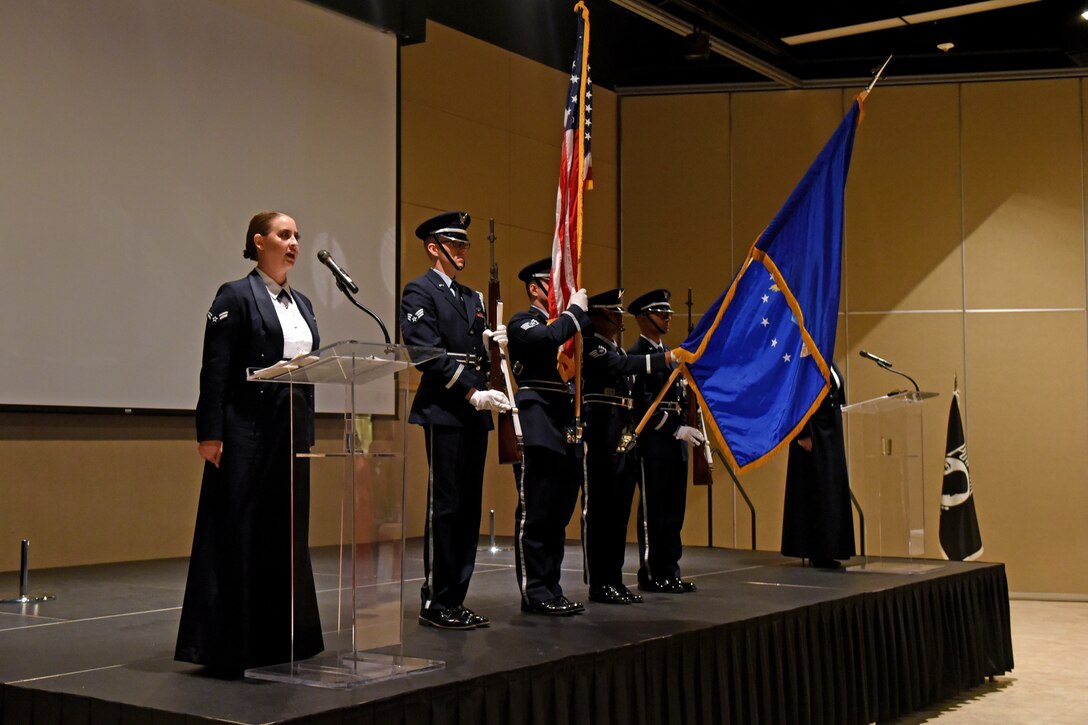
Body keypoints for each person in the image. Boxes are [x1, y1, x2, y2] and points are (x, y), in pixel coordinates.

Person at [176, 211, 323, 675]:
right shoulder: (235, 295)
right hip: (245, 428)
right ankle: (227, 647)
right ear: (259, 242)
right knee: (236, 530)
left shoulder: (302, 302)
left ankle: (280, 641)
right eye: (285, 234)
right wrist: (210, 431)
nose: (294, 242)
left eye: (297, 235)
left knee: (286, 532)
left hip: (291, 429)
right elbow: (215, 366)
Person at [400, 211, 511, 630]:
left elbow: (477, 351)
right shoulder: (419, 291)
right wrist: (470, 389)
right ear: (434, 247)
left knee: (468, 509)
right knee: (445, 506)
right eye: (455, 243)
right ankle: (436, 599)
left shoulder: (472, 297)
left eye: (465, 244)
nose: (463, 250)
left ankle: (456, 596)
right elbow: (425, 352)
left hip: (474, 411)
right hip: (446, 408)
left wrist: (495, 346)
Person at [506, 258, 589, 616]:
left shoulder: (564, 328)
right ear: (535, 288)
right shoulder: (522, 323)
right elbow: (547, 338)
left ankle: (552, 586)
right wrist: (572, 315)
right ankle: (535, 590)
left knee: (559, 514)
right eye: (553, 285)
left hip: (563, 424)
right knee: (537, 512)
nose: (560, 293)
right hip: (537, 424)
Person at [581, 289, 670, 604]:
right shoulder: (591, 345)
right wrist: (665, 358)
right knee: (602, 510)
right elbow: (621, 367)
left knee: (619, 511)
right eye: (613, 311)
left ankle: (614, 578)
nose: (620, 317)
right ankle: (600, 581)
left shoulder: (614, 348)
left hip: (622, 432)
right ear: (598, 315)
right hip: (602, 431)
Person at [627, 288, 703, 594]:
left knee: (674, 511)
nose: (668, 318)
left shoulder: (672, 357)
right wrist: (674, 428)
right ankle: (652, 571)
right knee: (655, 511)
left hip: (675, 444)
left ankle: (670, 570)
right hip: (654, 443)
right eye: (661, 314)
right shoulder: (636, 357)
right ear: (643, 319)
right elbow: (642, 404)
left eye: (668, 313)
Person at [781, 361, 856, 568]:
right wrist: (802, 433)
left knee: (830, 491)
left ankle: (831, 548)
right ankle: (816, 551)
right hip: (812, 435)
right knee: (817, 491)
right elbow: (796, 398)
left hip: (830, 434)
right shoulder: (805, 362)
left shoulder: (828, 361)